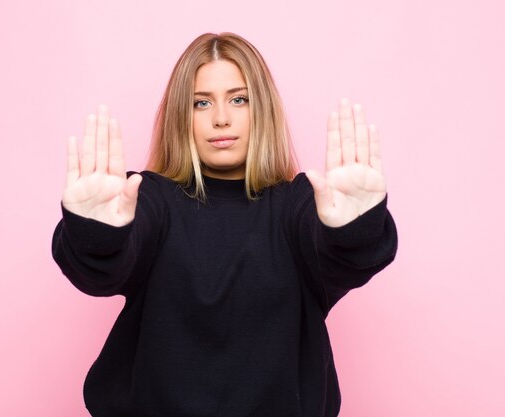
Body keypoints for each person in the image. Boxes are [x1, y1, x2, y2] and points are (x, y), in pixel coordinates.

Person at [51, 32, 397, 417]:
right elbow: (103, 271)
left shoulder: (297, 205)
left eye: (239, 99)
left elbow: (342, 258)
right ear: (182, 115)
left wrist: (354, 227)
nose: (221, 118)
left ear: (262, 109)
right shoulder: (150, 199)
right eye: (201, 103)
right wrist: (96, 231)